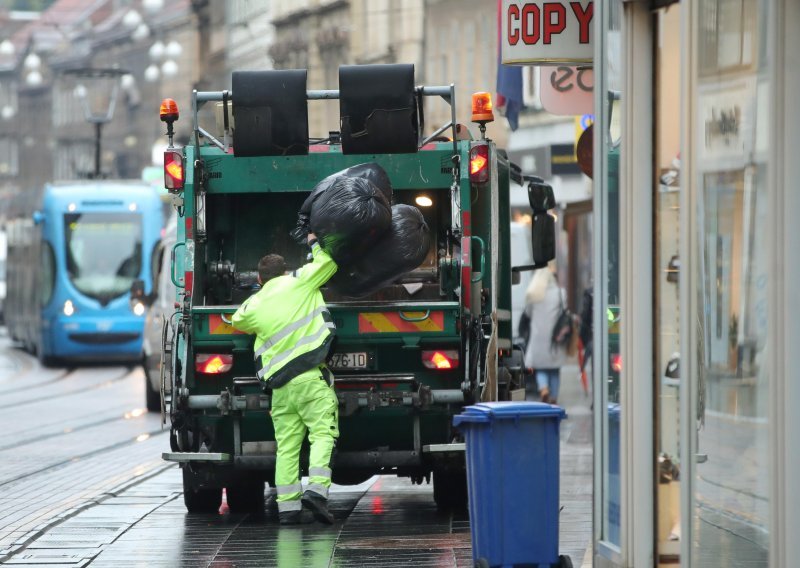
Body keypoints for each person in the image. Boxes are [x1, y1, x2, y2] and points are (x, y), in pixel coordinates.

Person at [232, 233, 339, 526]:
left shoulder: (254, 303)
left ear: (259, 277)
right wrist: (315, 242)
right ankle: (317, 491)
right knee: (322, 433)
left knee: (288, 447)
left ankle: (288, 510)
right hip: (309, 379)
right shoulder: (301, 281)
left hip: (280, 388)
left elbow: (237, 320)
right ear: (285, 271)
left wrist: (259, 293)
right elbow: (328, 263)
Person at [522, 261, 567, 404]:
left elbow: (527, 314)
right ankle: (553, 397)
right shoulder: (560, 293)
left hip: (538, 337)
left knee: (540, 368)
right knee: (554, 369)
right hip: (555, 338)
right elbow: (565, 312)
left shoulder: (533, 294)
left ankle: (543, 388)